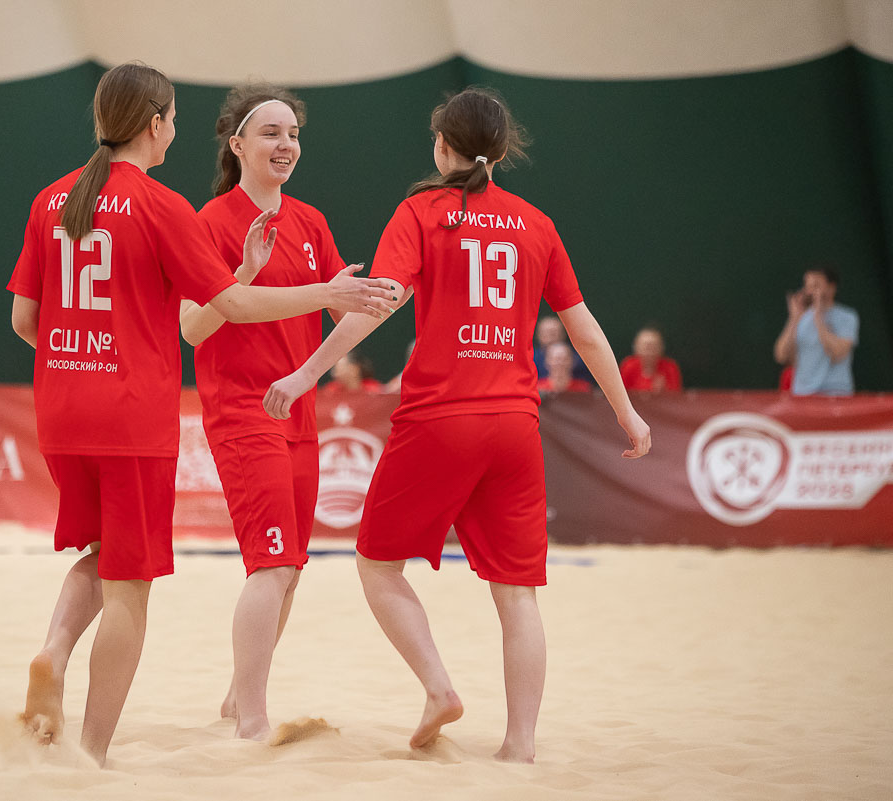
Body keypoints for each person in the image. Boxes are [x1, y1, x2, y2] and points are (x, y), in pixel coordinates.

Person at [6, 62, 395, 766]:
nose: (174, 132)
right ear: (156, 124)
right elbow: (221, 313)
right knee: (131, 582)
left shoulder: (49, 198)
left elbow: (25, 322)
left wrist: (83, 356)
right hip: (138, 413)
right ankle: (93, 754)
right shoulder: (166, 207)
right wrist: (321, 293)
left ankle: (54, 650)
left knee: (104, 553)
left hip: (62, 408)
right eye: (173, 120)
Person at [262, 87, 651, 761]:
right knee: (519, 597)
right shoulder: (536, 223)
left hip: (440, 419)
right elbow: (584, 330)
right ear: (501, 150)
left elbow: (377, 304)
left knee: (377, 564)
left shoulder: (420, 212)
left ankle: (439, 686)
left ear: (442, 145)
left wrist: (305, 374)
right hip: (515, 426)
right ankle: (520, 744)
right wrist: (626, 411)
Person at [177, 84, 350, 740]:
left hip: (298, 413)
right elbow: (192, 329)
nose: (287, 144)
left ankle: (234, 698)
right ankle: (252, 720)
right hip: (242, 410)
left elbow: (341, 305)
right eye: (272, 133)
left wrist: (380, 291)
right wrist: (245, 273)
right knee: (271, 564)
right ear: (238, 144)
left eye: (294, 134)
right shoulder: (211, 222)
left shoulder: (311, 222)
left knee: (290, 569)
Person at [773, 265, 858, 396]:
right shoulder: (801, 318)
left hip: (835, 393)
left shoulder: (847, 317)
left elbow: (838, 353)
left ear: (831, 287)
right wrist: (793, 319)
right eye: (808, 286)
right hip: (802, 393)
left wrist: (819, 317)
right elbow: (781, 355)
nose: (810, 291)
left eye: (816, 285)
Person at [618, 326, 682, 392]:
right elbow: (619, 391)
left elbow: (676, 394)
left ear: (661, 347)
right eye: (646, 347)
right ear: (636, 347)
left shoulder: (670, 368)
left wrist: (664, 390)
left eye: (654, 346)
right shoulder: (628, 366)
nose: (649, 351)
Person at [534, 313, 592, 383]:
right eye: (546, 333)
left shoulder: (580, 360)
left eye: (554, 333)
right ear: (539, 335)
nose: (550, 337)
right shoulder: (532, 359)